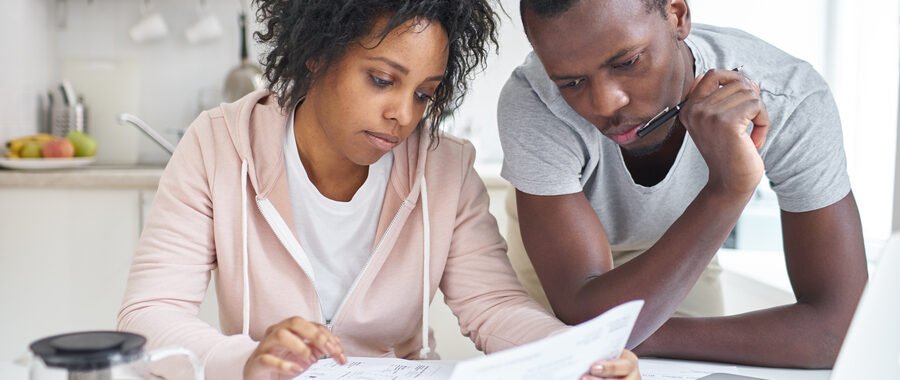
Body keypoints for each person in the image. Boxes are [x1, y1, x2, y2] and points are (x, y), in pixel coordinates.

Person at [117, 1, 640, 379]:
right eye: (382, 80)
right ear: (316, 55)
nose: (403, 115)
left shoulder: (445, 167)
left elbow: (493, 306)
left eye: (424, 94)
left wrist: (573, 352)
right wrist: (247, 361)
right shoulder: (218, 144)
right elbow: (150, 315)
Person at [498, 0, 869, 369]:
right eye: (572, 82)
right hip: (562, 265)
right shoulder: (535, 101)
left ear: (677, 15)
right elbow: (581, 310)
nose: (607, 103)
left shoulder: (788, 96)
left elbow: (840, 332)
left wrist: (639, 336)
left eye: (627, 62)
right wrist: (726, 190)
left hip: (683, 242)